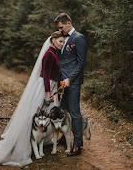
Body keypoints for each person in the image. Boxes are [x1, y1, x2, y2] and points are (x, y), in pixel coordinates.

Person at [0, 31, 65, 167]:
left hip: (51, 87)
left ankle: (38, 141)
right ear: (53, 40)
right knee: (32, 116)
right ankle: (21, 146)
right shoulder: (49, 54)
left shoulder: (55, 53)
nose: (62, 44)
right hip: (43, 88)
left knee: (47, 116)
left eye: (63, 42)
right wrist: (47, 93)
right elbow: (46, 75)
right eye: (60, 41)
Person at [55, 13, 87, 157]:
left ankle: (77, 144)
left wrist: (70, 79)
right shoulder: (62, 39)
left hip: (73, 82)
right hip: (62, 81)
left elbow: (81, 63)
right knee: (64, 110)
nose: (60, 30)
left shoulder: (79, 38)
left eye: (61, 27)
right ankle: (64, 137)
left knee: (74, 113)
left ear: (68, 23)